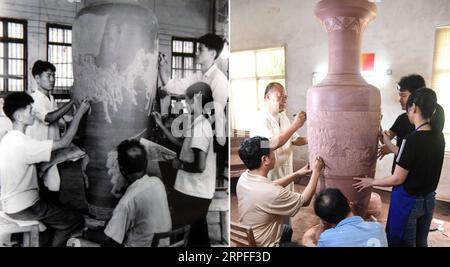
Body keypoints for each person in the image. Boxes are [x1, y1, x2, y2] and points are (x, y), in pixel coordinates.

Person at [354, 88, 445, 247]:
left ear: (414, 107)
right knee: (421, 242)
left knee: (403, 242)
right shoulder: (438, 136)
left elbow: (397, 178)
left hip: (409, 202)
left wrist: (371, 181)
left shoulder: (413, 140)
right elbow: (409, 156)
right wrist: (386, 141)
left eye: (408, 109)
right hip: (429, 200)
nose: (407, 113)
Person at [0, 92, 90, 247]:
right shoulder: (24, 144)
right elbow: (65, 141)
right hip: (25, 206)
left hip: (10, 203)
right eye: (29, 110)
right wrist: (80, 113)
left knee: (52, 221)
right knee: (74, 219)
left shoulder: (7, 139)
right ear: (19, 117)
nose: (33, 113)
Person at [152, 82, 216, 247]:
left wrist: (179, 164)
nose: (186, 105)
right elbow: (182, 144)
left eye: (188, 101)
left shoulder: (201, 127)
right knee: (198, 235)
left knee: (189, 236)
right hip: (196, 191)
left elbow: (200, 166)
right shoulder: (199, 123)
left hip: (194, 191)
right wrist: (161, 126)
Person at [236, 136, 324, 247]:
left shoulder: (245, 177)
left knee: (286, 230)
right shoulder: (272, 193)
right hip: (263, 245)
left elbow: (271, 186)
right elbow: (305, 200)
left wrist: (297, 174)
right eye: (273, 151)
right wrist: (316, 171)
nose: (275, 154)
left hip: (250, 236)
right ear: (265, 159)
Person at [159, 34, 228, 148]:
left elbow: (213, 113)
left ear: (212, 54)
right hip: (197, 133)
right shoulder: (198, 76)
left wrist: (186, 126)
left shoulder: (219, 79)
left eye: (200, 50)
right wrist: (161, 67)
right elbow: (173, 86)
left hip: (212, 138)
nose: (196, 53)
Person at [26, 60, 78, 202]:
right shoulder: (33, 99)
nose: (52, 79)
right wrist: (73, 101)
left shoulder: (51, 99)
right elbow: (48, 118)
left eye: (53, 76)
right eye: (48, 76)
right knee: (42, 189)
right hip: (39, 152)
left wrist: (78, 112)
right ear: (37, 78)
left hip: (53, 151)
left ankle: (52, 215)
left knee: (54, 185)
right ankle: (48, 219)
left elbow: (61, 120)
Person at [103, 139, 172, 247]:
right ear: (145, 163)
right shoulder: (158, 183)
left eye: (114, 167)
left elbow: (112, 243)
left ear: (122, 169)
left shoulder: (126, 203)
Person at [378, 74, 445, 174]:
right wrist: (377, 124)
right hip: (399, 175)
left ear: (417, 95)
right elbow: (385, 140)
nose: (399, 100)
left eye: (403, 96)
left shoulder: (434, 119)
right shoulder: (402, 118)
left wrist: (392, 148)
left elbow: (418, 151)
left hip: (416, 178)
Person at [250, 82, 307, 191]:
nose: (284, 100)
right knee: (273, 201)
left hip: (286, 170)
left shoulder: (283, 117)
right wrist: (295, 125)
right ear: (267, 97)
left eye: (286, 97)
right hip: (270, 173)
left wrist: (314, 138)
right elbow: (269, 144)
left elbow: (295, 139)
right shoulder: (260, 119)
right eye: (280, 96)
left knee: (286, 200)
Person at [314, 188, 388, 247]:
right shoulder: (378, 228)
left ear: (324, 221)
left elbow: (318, 240)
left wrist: (323, 225)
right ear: (348, 201)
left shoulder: (326, 239)